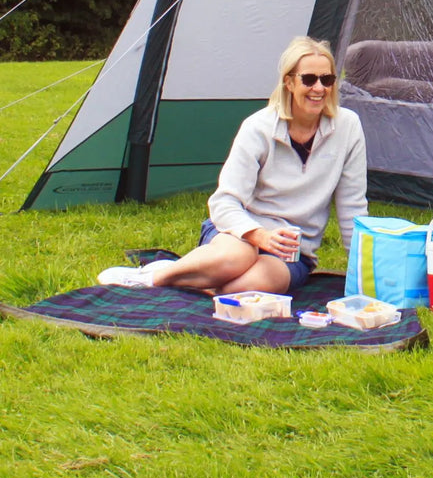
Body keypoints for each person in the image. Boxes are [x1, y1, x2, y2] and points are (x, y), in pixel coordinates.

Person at [97, 36, 367, 294]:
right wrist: (257, 235)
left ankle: (199, 278)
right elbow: (223, 202)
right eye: (309, 79)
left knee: (241, 289)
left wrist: (364, 276)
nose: (319, 88)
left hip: (293, 250)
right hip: (239, 231)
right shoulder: (258, 128)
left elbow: (352, 207)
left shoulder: (348, 127)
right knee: (237, 257)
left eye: (327, 79)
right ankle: (154, 276)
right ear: (289, 82)